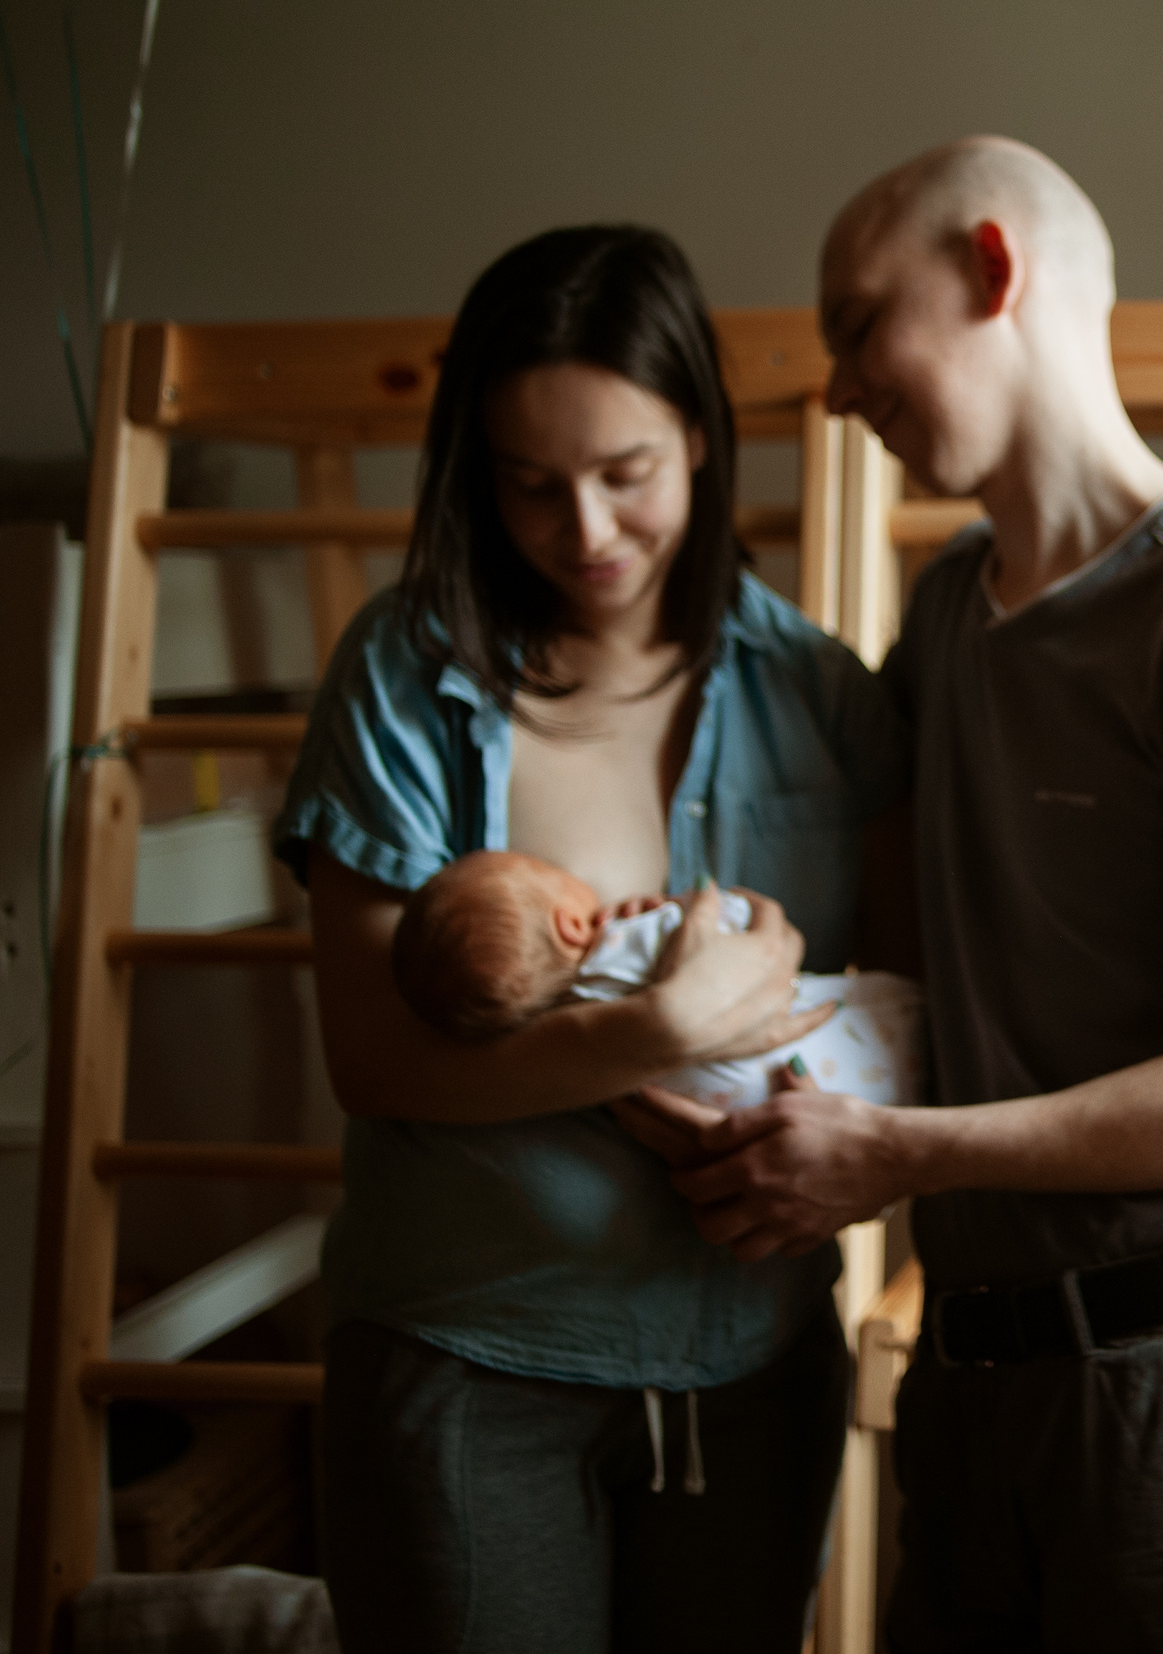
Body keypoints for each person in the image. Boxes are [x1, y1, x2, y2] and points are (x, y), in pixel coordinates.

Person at [624, 137, 1163, 1649]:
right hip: (975, 1391)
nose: (840, 386)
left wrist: (896, 1154)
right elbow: (917, 956)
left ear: (993, 270)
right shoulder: (944, 616)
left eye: (860, 322)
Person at [272, 224, 906, 1653]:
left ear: (697, 434)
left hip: (752, 1370)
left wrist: (835, 1165)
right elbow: (374, 1056)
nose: (588, 532)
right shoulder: (403, 677)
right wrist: (658, 1032)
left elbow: (902, 1021)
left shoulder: (820, 692)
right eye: (530, 485)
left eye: (627, 475)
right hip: (465, 1357)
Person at [389, 849, 923, 1110]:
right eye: (552, 872)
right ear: (569, 924)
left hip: (783, 1102)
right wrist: (690, 906)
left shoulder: (569, 1030)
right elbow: (740, 927)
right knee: (897, 1006)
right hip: (840, 1035)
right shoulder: (635, 938)